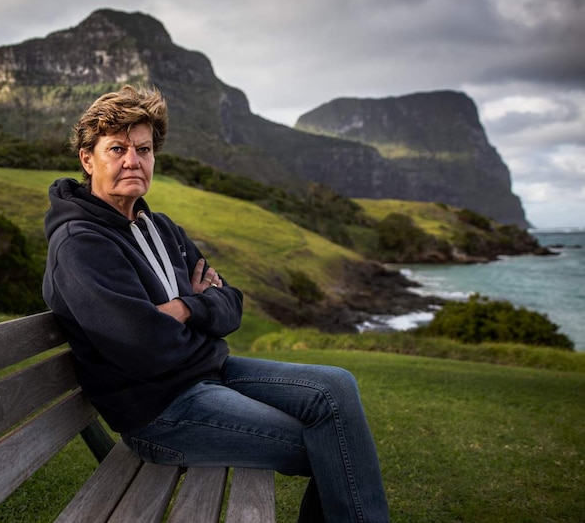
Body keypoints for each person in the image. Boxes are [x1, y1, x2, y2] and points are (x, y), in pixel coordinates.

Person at [42, 85, 390, 523]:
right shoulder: (81, 243)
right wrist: (199, 311)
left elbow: (231, 303)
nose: (133, 160)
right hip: (160, 413)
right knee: (335, 444)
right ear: (87, 159)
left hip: (208, 374)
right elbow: (145, 347)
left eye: (144, 149)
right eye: (117, 149)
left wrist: (187, 308)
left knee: (337, 386)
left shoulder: (160, 227)